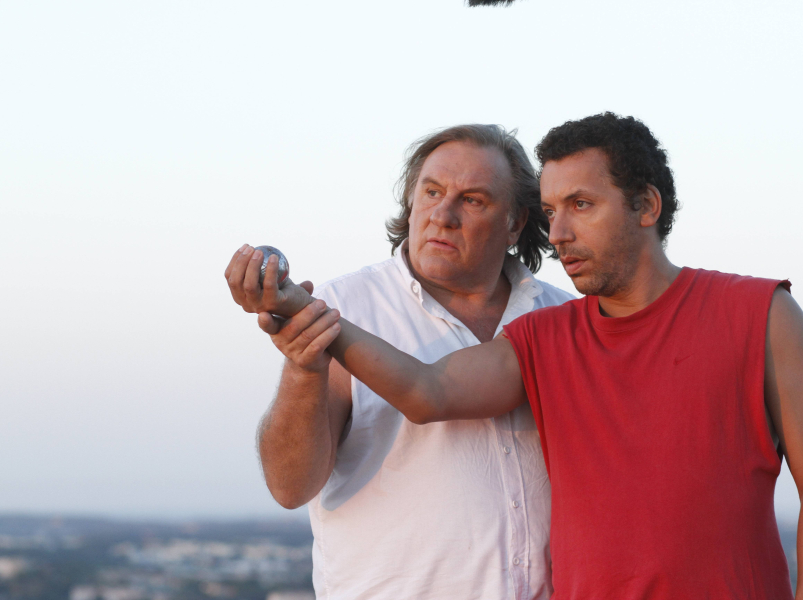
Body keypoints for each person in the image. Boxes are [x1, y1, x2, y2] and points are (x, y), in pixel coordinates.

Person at [250, 113, 803, 599]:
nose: (559, 233)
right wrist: (305, 316)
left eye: (580, 205)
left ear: (646, 206)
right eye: (553, 211)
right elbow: (425, 393)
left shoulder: (758, 313)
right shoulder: (543, 334)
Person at [225, 124, 573, 599]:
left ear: (516, 222)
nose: (443, 215)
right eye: (431, 192)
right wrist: (304, 371)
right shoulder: (342, 307)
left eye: (472, 200)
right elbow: (290, 487)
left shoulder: (564, 317)